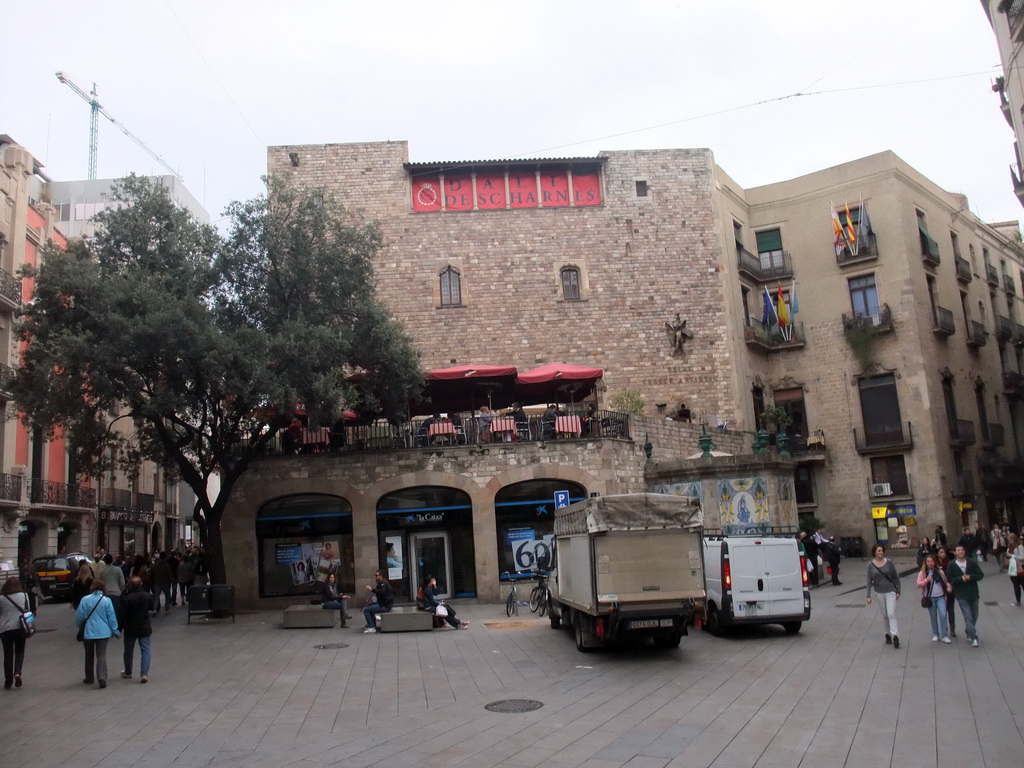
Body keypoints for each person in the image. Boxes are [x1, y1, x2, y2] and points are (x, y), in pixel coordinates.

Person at [75, 579, 120, 688]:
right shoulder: (106, 600)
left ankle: (89, 677)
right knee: (101, 655)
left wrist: (80, 627)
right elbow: (111, 617)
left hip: (88, 632)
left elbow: (79, 617)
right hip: (103, 632)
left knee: (89, 654)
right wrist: (116, 630)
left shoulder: (85, 600)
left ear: (92, 587)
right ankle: (102, 678)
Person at [946, 544, 985, 647]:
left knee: (974, 614)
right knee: (967, 616)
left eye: (962, 550)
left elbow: (980, 575)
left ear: (964, 551)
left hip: (973, 593)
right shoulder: (952, 565)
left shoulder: (971, 563)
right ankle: (974, 638)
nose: (960, 552)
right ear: (955, 552)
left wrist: (970, 577)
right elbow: (950, 579)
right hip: (961, 594)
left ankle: (968, 630)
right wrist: (960, 579)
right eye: (958, 550)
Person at [866, 544, 902, 649]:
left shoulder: (889, 562)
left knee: (891, 613)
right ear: (874, 553)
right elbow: (869, 581)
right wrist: (868, 595)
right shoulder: (870, 565)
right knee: (885, 615)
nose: (881, 552)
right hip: (879, 592)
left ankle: (895, 635)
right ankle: (887, 634)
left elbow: (896, 577)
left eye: (882, 550)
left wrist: (898, 590)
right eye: (879, 551)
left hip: (890, 590)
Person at [120, 576, 153, 683]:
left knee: (128, 650)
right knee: (145, 649)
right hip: (144, 626)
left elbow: (123, 615)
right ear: (141, 584)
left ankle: (128, 671)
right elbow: (151, 607)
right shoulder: (148, 596)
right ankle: (144, 673)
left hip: (131, 627)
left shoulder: (127, 598)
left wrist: (119, 628)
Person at [1, 576, 30, 689]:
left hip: (5, 629)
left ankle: (8, 681)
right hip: (21, 627)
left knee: (8, 655)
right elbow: (28, 610)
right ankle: (17, 673)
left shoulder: (2, 598)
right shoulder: (24, 596)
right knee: (20, 651)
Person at [917, 554, 952, 643]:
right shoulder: (923, 573)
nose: (930, 563)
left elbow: (945, 581)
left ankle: (944, 635)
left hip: (940, 597)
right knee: (933, 617)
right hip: (930, 598)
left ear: (934, 562)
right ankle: (935, 634)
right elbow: (918, 584)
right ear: (925, 563)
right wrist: (927, 580)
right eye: (928, 562)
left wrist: (948, 586)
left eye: (932, 561)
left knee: (943, 615)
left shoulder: (940, 572)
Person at [936, 546, 957, 638]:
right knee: (942, 611)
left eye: (944, 552)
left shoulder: (949, 563)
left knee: (951, 609)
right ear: (937, 554)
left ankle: (952, 628)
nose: (943, 554)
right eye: (941, 552)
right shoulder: (935, 564)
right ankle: (944, 629)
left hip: (949, 588)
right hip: (940, 589)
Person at [1007, 533, 1024, 607]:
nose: (1010, 541)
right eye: (1009, 540)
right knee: (1015, 585)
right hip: (1012, 568)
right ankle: (1018, 600)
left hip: (1020, 567)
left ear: (1014, 539)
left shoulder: (1019, 546)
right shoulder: (1009, 547)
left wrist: (1013, 556)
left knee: (1023, 584)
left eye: (1011, 540)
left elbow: (1022, 557)